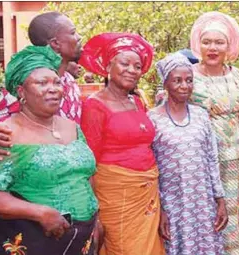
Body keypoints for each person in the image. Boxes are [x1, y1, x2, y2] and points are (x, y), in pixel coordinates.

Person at [0, 45, 99, 255]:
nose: (53, 88)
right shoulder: (4, 132)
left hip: (80, 238)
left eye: (57, 82)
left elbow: (87, 174)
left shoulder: (71, 127)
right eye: (42, 83)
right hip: (34, 240)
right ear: (21, 92)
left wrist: (96, 218)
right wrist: (39, 212)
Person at [78, 32, 164, 255]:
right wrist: (92, 210)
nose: (132, 70)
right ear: (108, 66)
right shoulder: (95, 105)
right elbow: (89, 161)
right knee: (124, 248)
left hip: (147, 193)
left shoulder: (137, 101)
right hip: (116, 195)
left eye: (137, 66)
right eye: (125, 63)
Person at [0, 11, 83, 161]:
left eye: (56, 83)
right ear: (55, 43)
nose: (79, 37)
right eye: (73, 32)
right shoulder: (23, 84)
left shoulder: (69, 80)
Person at [180, 12, 239, 255]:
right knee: (202, 213)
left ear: (229, 46)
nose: (212, 47)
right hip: (199, 156)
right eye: (207, 42)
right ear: (198, 44)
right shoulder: (188, 75)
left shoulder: (236, 73)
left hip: (234, 154)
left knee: (229, 214)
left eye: (219, 42)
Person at [149, 52, 228, 255]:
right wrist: (160, 210)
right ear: (166, 83)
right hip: (173, 203)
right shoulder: (153, 119)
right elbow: (151, 166)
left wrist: (220, 200)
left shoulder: (201, 115)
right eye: (177, 81)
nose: (184, 86)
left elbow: (212, 158)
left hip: (203, 201)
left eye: (189, 80)